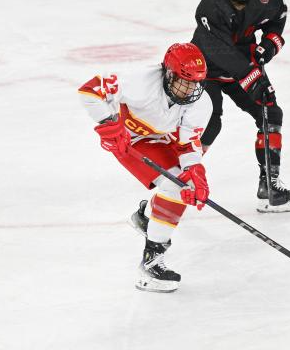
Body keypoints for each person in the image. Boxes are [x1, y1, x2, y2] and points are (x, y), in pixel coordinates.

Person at [79, 43, 213, 292]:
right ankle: (151, 265)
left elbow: (187, 145)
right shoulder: (139, 81)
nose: (190, 90)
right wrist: (108, 124)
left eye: (196, 84)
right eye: (185, 82)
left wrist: (196, 171)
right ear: (168, 74)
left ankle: (147, 217)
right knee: (176, 188)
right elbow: (90, 90)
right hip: (131, 140)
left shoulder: (201, 103)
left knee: (186, 184)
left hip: (163, 138)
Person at [191, 0, 290, 213]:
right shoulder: (210, 6)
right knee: (210, 123)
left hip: (242, 67)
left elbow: (278, 18)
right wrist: (253, 78)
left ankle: (269, 185)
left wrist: (271, 43)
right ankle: (180, 176)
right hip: (206, 70)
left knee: (270, 113)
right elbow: (221, 52)